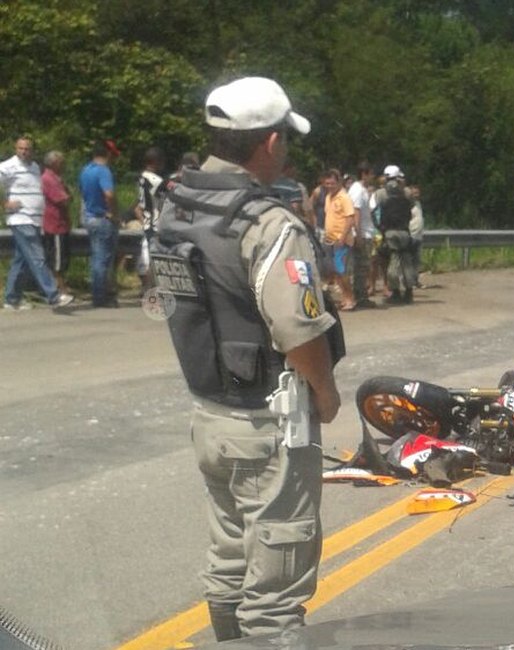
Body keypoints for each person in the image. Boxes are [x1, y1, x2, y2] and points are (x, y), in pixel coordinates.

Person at [152, 76, 344, 641]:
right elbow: (299, 330)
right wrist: (327, 397)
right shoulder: (268, 224)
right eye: (285, 136)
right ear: (269, 143)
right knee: (276, 592)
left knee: (230, 556)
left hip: (210, 411)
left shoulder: (179, 203)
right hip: (268, 422)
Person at [1, 136, 74, 310]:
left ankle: (11, 299)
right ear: (15, 149)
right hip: (20, 218)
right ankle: (54, 295)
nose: (24, 152)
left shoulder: (35, 167)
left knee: (22, 260)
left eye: (27, 149)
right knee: (37, 256)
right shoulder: (7, 166)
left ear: (32, 150)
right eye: (21, 148)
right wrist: (5, 204)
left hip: (35, 219)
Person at [79, 140, 121, 307]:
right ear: (108, 154)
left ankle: (98, 294)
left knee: (97, 257)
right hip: (103, 218)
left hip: (89, 217)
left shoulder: (85, 170)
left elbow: (82, 193)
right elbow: (109, 194)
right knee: (103, 259)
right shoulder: (104, 171)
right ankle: (100, 297)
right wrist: (114, 213)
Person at [370, 164, 417, 304]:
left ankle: (395, 292)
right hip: (404, 231)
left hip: (389, 231)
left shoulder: (380, 193)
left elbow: (372, 210)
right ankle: (409, 292)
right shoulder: (406, 192)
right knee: (407, 262)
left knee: (393, 262)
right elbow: (412, 206)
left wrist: (379, 228)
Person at [321, 168, 358, 310]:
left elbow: (350, 218)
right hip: (330, 239)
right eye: (327, 183)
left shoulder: (344, 197)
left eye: (332, 183)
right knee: (335, 271)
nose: (329, 186)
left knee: (341, 270)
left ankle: (350, 299)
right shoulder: (328, 197)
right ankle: (344, 298)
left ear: (339, 182)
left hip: (341, 240)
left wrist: (343, 236)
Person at [40, 150, 72, 295]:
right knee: (57, 259)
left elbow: (69, 196)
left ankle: (61, 285)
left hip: (62, 224)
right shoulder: (48, 179)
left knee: (63, 257)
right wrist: (67, 196)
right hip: (55, 225)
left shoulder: (57, 178)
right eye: (61, 162)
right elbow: (62, 200)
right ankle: (59, 288)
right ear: (54, 163)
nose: (63, 164)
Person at [134, 147, 165, 291]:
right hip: (155, 223)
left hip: (146, 221)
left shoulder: (141, 177)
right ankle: (149, 288)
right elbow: (170, 193)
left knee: (146, 255)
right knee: (153, 258)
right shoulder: (155, 180)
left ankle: (146, 287)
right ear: (156, 162)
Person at [347, 161, 377, 304]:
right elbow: (356, 212)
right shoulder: (358, 190)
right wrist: (358, 234)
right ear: (364, 174)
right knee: (362, 267)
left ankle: (359, 294)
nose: (373, 177)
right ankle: (360, 296)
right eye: (371, 173)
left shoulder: (361, 189)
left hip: (365, 232)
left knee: (361, 266)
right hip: (362, 233)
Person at [408, 184, 425, 288]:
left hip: (418, 235)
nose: (416, 195)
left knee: (416, 260)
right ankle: (409, 281)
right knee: (409, 259)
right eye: (414, 193)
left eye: (418, 193)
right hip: (410, 234)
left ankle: (416, 280)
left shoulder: (418, 203)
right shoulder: (408, 204)